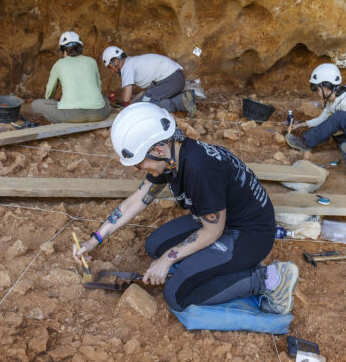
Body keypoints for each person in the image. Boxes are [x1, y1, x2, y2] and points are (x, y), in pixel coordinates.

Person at [74, 102, 299, 314]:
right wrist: (95, 239)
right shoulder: (172, 159)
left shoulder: (200, 171)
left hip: (251, 234)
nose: (137, 169)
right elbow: (137, 200)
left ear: (158, 151)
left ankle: (269, 278)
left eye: (139, 162)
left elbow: (212, 231)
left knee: (177, 295)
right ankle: (213, 264)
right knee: (155, 246)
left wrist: (168, 260)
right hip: (220, 218)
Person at [31, 31, 110, 123]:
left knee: (35, 104)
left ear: (63, 50)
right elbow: (98, 88)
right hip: (98, 114)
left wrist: (55, 102)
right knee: (105, 100)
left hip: (72, 115)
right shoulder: (91, 61)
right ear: (80, 47)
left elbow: (49, 93)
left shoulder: (59, 64)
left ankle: (59, 121)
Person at [101, 46, 197, 118]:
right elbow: (145, 93)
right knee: (143, 101)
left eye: (110, 67)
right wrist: (134, 103)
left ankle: (181, 101)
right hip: (174, 79)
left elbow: (126, 98)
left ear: (116, 61)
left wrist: (118, 100)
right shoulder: (133, 62)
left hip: (172, 80)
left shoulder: (127, 67)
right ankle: (182, 97)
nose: (112, 71)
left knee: (145, 106)